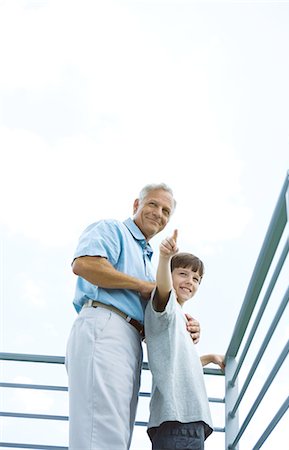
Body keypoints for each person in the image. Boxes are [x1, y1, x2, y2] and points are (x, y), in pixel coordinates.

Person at [65, 183, 201, 450]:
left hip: (130, 340)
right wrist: (141, 285)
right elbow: (84, 264)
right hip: (106, 326)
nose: (158, 213)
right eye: (152, 204)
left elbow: (158, 313)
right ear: (136, 205)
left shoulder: (147, 259)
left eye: (165, 211)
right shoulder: (112, 229)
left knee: (115, 433)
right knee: (100, 432)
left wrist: (185, 324)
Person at [144, 229, 225, 450]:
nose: (190, 281)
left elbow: (177, 364)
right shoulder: (166, 307)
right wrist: (164, 258)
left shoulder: (180, 317)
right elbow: (163, 288)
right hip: (180, 420)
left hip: (184, 422)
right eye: (182, 274)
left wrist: (208, 358)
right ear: (169, 276)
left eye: (196, 278)